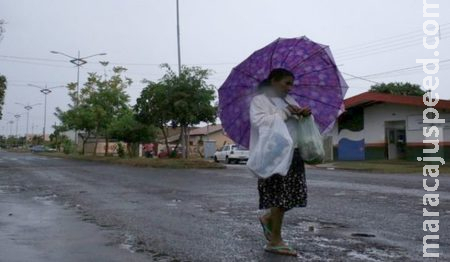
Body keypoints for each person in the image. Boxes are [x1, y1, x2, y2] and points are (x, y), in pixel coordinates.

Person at [249, 68, 311, 257]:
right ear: (274, 81)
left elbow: (294, 123)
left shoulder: (289, 100)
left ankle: (268, 218)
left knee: (294, 195)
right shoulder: (260, 100)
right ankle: (275, 241)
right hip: (273, 155)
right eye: (287, 83)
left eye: (292, 83)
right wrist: (284, 113)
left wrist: (304, 114)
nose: (290, 88)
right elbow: (259, 122)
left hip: (294, 153)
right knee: (278, 197)